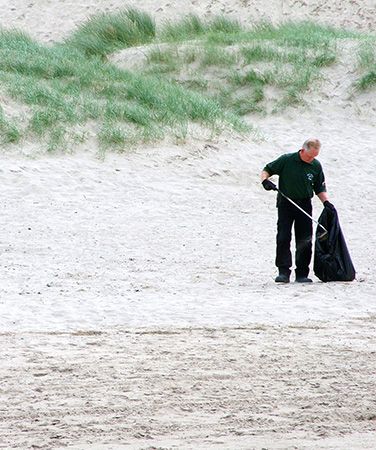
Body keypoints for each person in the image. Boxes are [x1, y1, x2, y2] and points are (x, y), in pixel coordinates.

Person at [261, 138, 335, 283]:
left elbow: (319, 187)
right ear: (303, 150)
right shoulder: (287, 160)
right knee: (283, 237)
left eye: (315, 156)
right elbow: (267, 170)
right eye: (309, 156)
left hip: (305, 204)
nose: (311, 159)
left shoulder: (315, 165)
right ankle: (283, 272)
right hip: (286, 203)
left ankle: (302, 274)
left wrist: (327, 203)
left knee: (305, 239)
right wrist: (265, 181)